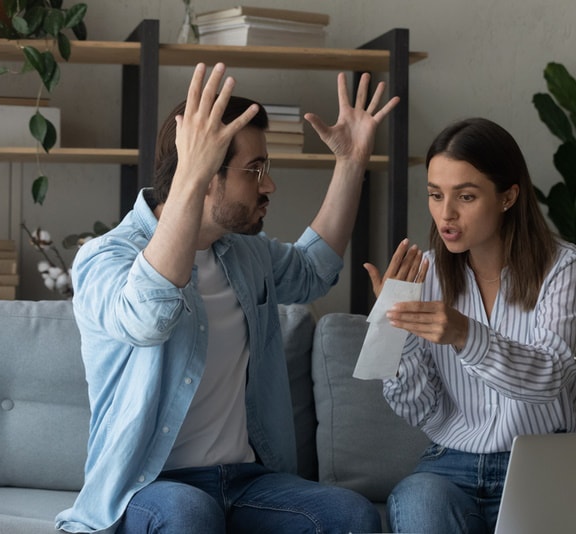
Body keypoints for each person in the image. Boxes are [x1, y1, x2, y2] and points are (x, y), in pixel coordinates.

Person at [55, 62, 398, 534]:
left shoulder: (244, 253)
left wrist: (351, 162)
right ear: (205, 174)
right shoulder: (105, 257)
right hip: (150, 487)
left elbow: (312, 271)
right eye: (255, 170)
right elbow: (147, 319)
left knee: (350, 515)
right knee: (189, 514)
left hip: (246, 480)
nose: (269, 185)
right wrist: (189, 179)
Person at [363, 117, 576, 533]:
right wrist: (394, 328)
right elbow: (420, 409)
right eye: (435, 195)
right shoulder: (424, 274)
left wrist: (465, 335)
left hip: (540, 462)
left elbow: (551, 377)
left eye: (465, 196)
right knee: (416, 503)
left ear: (508, 196)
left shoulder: (565, 266)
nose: (445, 214)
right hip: (449, 463)